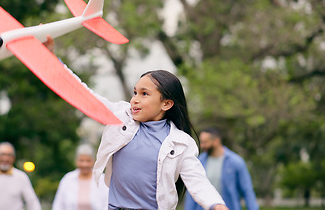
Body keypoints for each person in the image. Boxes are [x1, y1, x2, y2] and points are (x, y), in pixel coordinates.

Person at [44, 36, 228, 210]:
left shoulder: (181, 143)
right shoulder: (120, 117)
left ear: (166, 103)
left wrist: (216, 205)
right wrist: (51, 60)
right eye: (135, 93)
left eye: (144, 94)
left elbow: (198, 181)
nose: (135, 100)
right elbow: (83, 95)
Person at [184, 127, 259, 210]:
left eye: (205, 142)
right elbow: (192, 192)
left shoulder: (236, 162)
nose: (202, 145)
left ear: (216, 141)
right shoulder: (199, 161)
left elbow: (247, 191)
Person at [52, 144, 109, 210]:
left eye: (88, 161)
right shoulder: (67, 179)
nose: (84, 164)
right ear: (76, 161)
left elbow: (106, 204)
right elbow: (58, 204)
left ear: (93, 161)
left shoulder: (102, 179)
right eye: (81, 161)